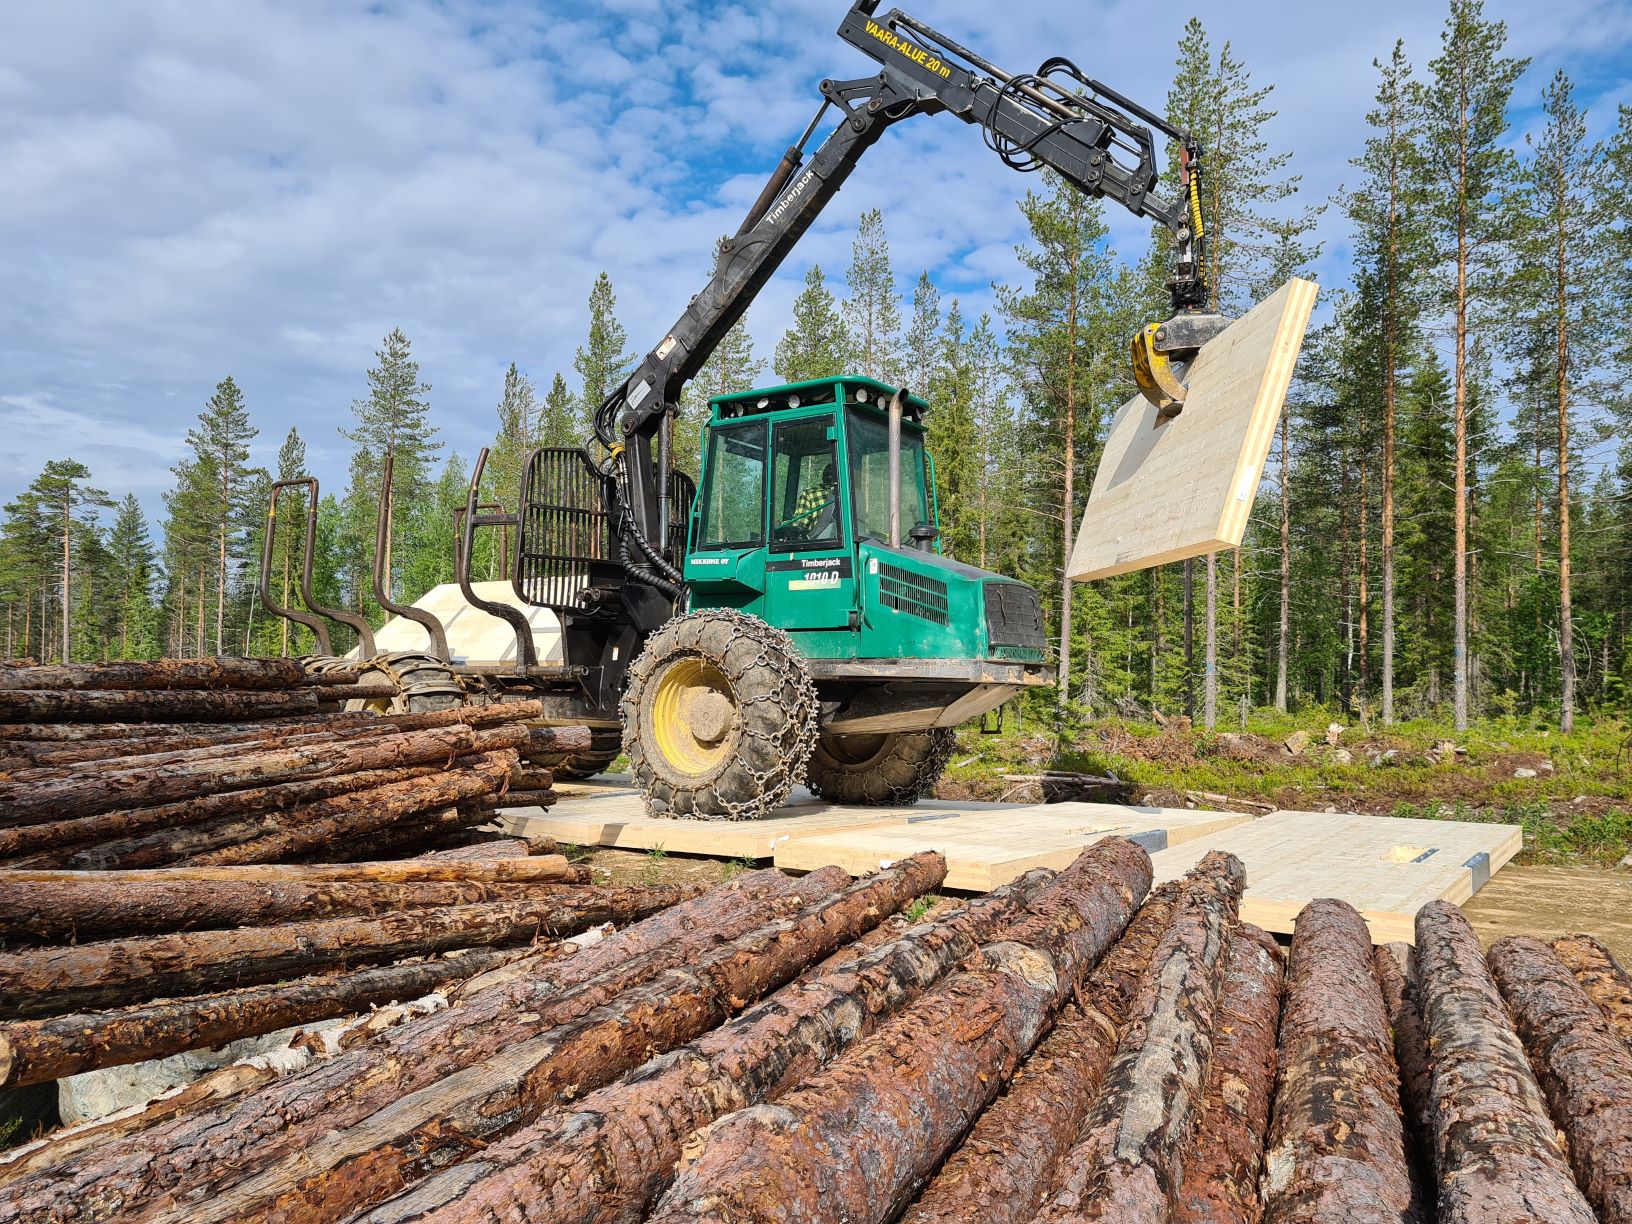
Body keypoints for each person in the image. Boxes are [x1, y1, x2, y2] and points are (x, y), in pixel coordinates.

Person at [779, 461, 838, 541]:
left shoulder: (811, 493)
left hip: (821, 545)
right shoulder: (850, 494)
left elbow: (800, 524)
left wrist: (781, 525)